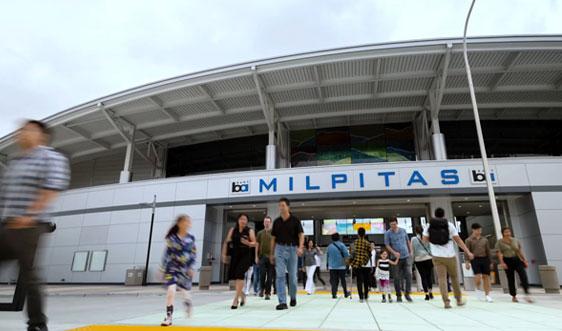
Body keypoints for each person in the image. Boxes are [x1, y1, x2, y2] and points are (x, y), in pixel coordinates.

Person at [0, 120, 70, 331]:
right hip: (7, 224)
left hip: (30, 225)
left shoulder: (51, 157)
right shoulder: (16, 162)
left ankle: (37, 324)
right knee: (29, 274)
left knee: (29, 274)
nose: (21, 133)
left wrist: (29, 216)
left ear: (41, 135)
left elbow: (51, 188)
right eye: (20, 130)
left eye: (27, 129)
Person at [423, 208, 474, 309]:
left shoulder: (429, 225)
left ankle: (446, 302)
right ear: (443, 214)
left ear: (435, 215)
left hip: (437, 256)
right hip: (450, 255)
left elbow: (424, 240)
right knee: (454, 278)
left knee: (442, 279)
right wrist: (467, 252)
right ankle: (458, 300)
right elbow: (458, 240)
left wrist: (433, 242)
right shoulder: (449, 225)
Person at [160, 215, 197, 326]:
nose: (188, 224)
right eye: (185, 222)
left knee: (185, 292)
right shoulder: (172, 238)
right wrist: (162, 269)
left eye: (189, 222)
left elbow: (193, 254)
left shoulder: (191, 238)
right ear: (179, 223)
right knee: (171, 291)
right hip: (171, 268)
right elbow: (167, 253)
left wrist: (191, 267)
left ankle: (188, 303)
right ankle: (169, 317)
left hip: (184, 269)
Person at [270, 197, 305, 310]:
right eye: (279, 205)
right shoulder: (276, 222)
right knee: (280, 275)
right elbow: (273, 239)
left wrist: (300, 247)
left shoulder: (295, 220)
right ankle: (282, 302)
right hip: (279, 249)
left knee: (293, 277)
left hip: (292, 249)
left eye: (283, 205)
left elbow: (301, 235)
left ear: (288, 207)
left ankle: (293, 296)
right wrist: (271, 253)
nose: (281, 207)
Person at [222, 213, 257, 309]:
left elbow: (255, 243)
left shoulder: (249, 231)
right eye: (241, 219)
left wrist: (248, 243)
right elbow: (227, 242)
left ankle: (235, 300)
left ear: (247, 221)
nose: (243, 221)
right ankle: (242, 295)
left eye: (245, 219)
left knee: (239, 274)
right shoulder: (233, 230)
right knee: (234, 278)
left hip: (246, 256)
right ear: (238, 220)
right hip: (235, 255)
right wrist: (224, 254)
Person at [496, 227, 533, 303]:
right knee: (511, 278)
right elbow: (499, 253)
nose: (508, 233)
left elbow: (519, 251)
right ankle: (514, 296)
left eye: (509, 232)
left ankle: (527, 295)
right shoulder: (499, 242)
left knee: (523, 276)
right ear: (503, 233)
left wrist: (524, 260)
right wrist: (502, 263)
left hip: (517, 260)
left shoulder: (515, 240)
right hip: (507, 261)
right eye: (506, 232)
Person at [384, 217, 413, 302]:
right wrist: (394, 252)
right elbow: (387, 245)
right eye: (391, 225)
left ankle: (407, 294)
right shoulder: (388, 233)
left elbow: (408, 241)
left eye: (394, 224)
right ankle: (398, 295)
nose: (393, 226)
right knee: (396, 277)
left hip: (406, 256)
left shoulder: (403, 231)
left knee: (409, 275)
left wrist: (410, 251)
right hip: (395, 258)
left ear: (397, 223)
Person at [465, 223, 493, 303]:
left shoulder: (485, 240)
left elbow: (488, 251)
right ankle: (478, 289)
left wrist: (490, 262)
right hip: (475, 259)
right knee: (477, 278)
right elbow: (467, 251)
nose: (479, 231)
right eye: (477, 230)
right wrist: (467, 262)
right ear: (473, 230)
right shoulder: (468, 240)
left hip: (485, 259)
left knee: (486, 277)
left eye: (480, 230)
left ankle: (487, 295)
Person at [411, 225, 434, 300]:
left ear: (415, 231)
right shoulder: (427, 238)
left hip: (418, 260)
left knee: (423, 277)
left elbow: (412, 251)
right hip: (428, 258)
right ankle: (431, 292)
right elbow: (431, 248)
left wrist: (412, 261)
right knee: (429, 276)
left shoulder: (413, 239)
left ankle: (426, 294)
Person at [350, 227, 372, 302]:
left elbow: (351, 254)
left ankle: (361, 297)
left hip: (357, 265)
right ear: (364, 234)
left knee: (359, 280)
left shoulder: (353, 243)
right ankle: (366, 295)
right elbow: (370, 254)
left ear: (358, 234)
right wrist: (365, 260)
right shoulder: (368, 243)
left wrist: (350, 263)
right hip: (366, 264)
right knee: (366, 280)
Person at [327, 232, 351, 299]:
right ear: (339, 238)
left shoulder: (329, 246)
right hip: (341, 266)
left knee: (334, 280)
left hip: (332, 266)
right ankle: (345, 293)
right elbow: (346, 255)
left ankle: (334, 294)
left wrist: (327, 265)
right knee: (343, 280)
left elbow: (328, 256)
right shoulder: (342, 245)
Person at [256, 216, 274, 300]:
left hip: (271, 257)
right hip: (262, 257)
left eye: (268, 222)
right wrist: (256, 256)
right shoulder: (260, 233)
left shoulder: (273, 233)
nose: (267, 223)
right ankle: (262, 290)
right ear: (263, 223)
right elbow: (257, 245)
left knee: (270, 276)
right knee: (262, 275)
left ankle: (267, 293)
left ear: (270, 223)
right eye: (265, 221)